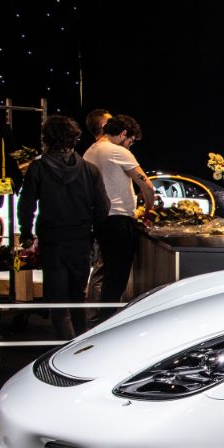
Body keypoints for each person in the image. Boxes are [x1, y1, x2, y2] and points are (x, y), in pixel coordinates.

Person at [17, 116, 109, 340]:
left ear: (47, 138)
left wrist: (27, 234)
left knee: (58, 300)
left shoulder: (37, 168)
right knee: (78, 297)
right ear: (75, 138)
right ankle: (80, 345)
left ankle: (62, 348)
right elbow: (103, 207)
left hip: (52, 240)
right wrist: (94, 232)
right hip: (81, 239)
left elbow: (26, 205)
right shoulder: (90, 170)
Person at [84, 114, 154, 320]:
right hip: (119, 219)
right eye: (130, 140)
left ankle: (97, 316)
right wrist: (149, 207)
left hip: (99, 218)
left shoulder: (91, 150)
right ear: (124, 134)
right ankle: (106, 319)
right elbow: (147, 185)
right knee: (117, 275)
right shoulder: (118, 151)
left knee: (106, 271)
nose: (130, 145)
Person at [83, 108, 111, 303]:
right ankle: (95, 317)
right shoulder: (107, 151)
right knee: (102, 269)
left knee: (100, 267)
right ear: (103, 126)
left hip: (99, 216)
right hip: (108, 217)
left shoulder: (91, 152)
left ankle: (93, 315)